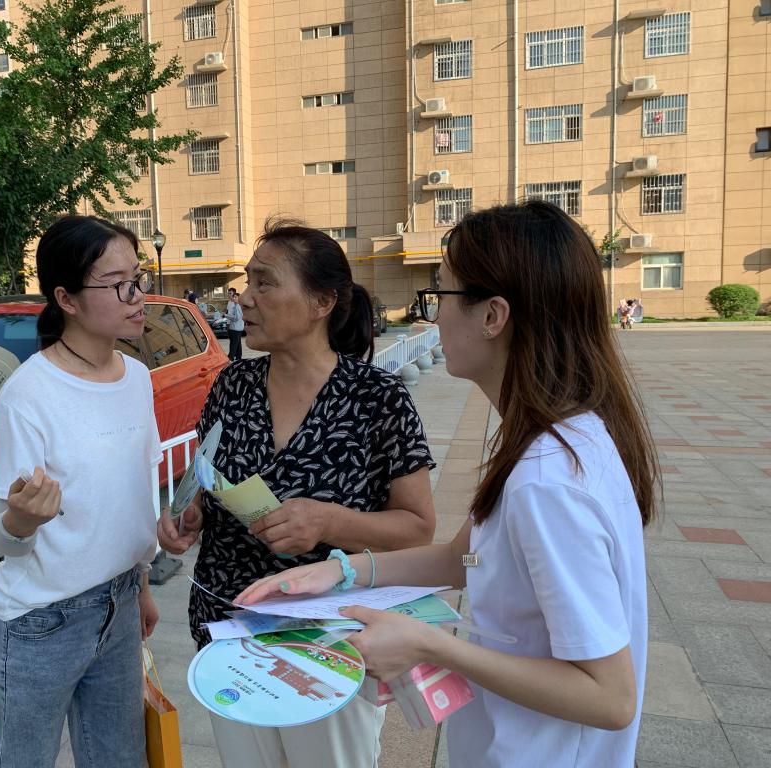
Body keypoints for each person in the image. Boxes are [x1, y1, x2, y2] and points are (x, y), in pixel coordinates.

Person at [238, 200, 659, 768]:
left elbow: (610, 697)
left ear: (492, 316)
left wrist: (428, 644)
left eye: (440, 295)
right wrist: (341, 572)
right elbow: (464, 558)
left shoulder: (547, 482)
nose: (433, 318)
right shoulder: (555, 439)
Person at [158, 220, 437, 768]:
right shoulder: (231, 386)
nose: (245, 298)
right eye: (247, 281)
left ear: (321, 302)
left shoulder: (377, 398)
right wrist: (190, 514)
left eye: (265, 282)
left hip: (329, 640)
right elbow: (208, 479)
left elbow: (418, 528)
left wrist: (328, 522)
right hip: (229, 628)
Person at [0, 215, 162, 768]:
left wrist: (141, 584)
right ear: (67, 299)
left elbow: (132, 500)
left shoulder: (137, 378)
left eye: (139, 277)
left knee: (120, 759)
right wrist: (23, 521)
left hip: (119, 606)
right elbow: (1, 539)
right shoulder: (27, 397)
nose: (138, 296)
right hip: (41, 622)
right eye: (118, 284)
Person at [226, 287, 244, 361]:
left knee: (233, 344)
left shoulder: (237, 306)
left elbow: (236, 318)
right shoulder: (236, 305)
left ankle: (230, 358)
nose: (233, 298)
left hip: (235, 328)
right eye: (233, 297)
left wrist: (226, 316)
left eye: (235, 297)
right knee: (237, 343)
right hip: (237, 327)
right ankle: (239, 357)